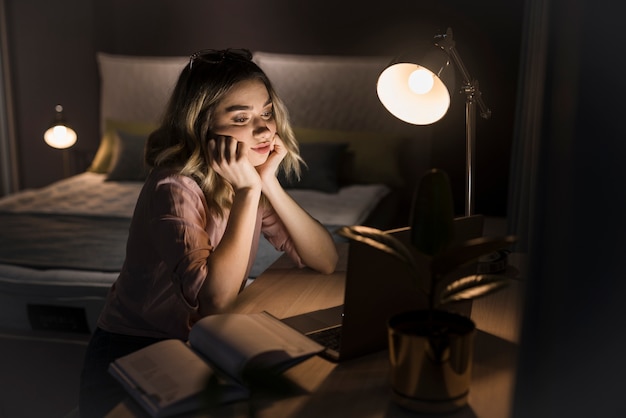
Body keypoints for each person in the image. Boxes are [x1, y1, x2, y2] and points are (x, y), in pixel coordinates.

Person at [79, 48, 338, 417]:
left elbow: (324, 260)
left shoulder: (244, 175)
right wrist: (249, 192)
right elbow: (214, 301)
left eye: (266, 112)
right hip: (135, 352)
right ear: (203, 124)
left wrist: (269, 185)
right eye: (241, 118)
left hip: (200, 344)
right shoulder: (174, 187)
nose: (264, 129)